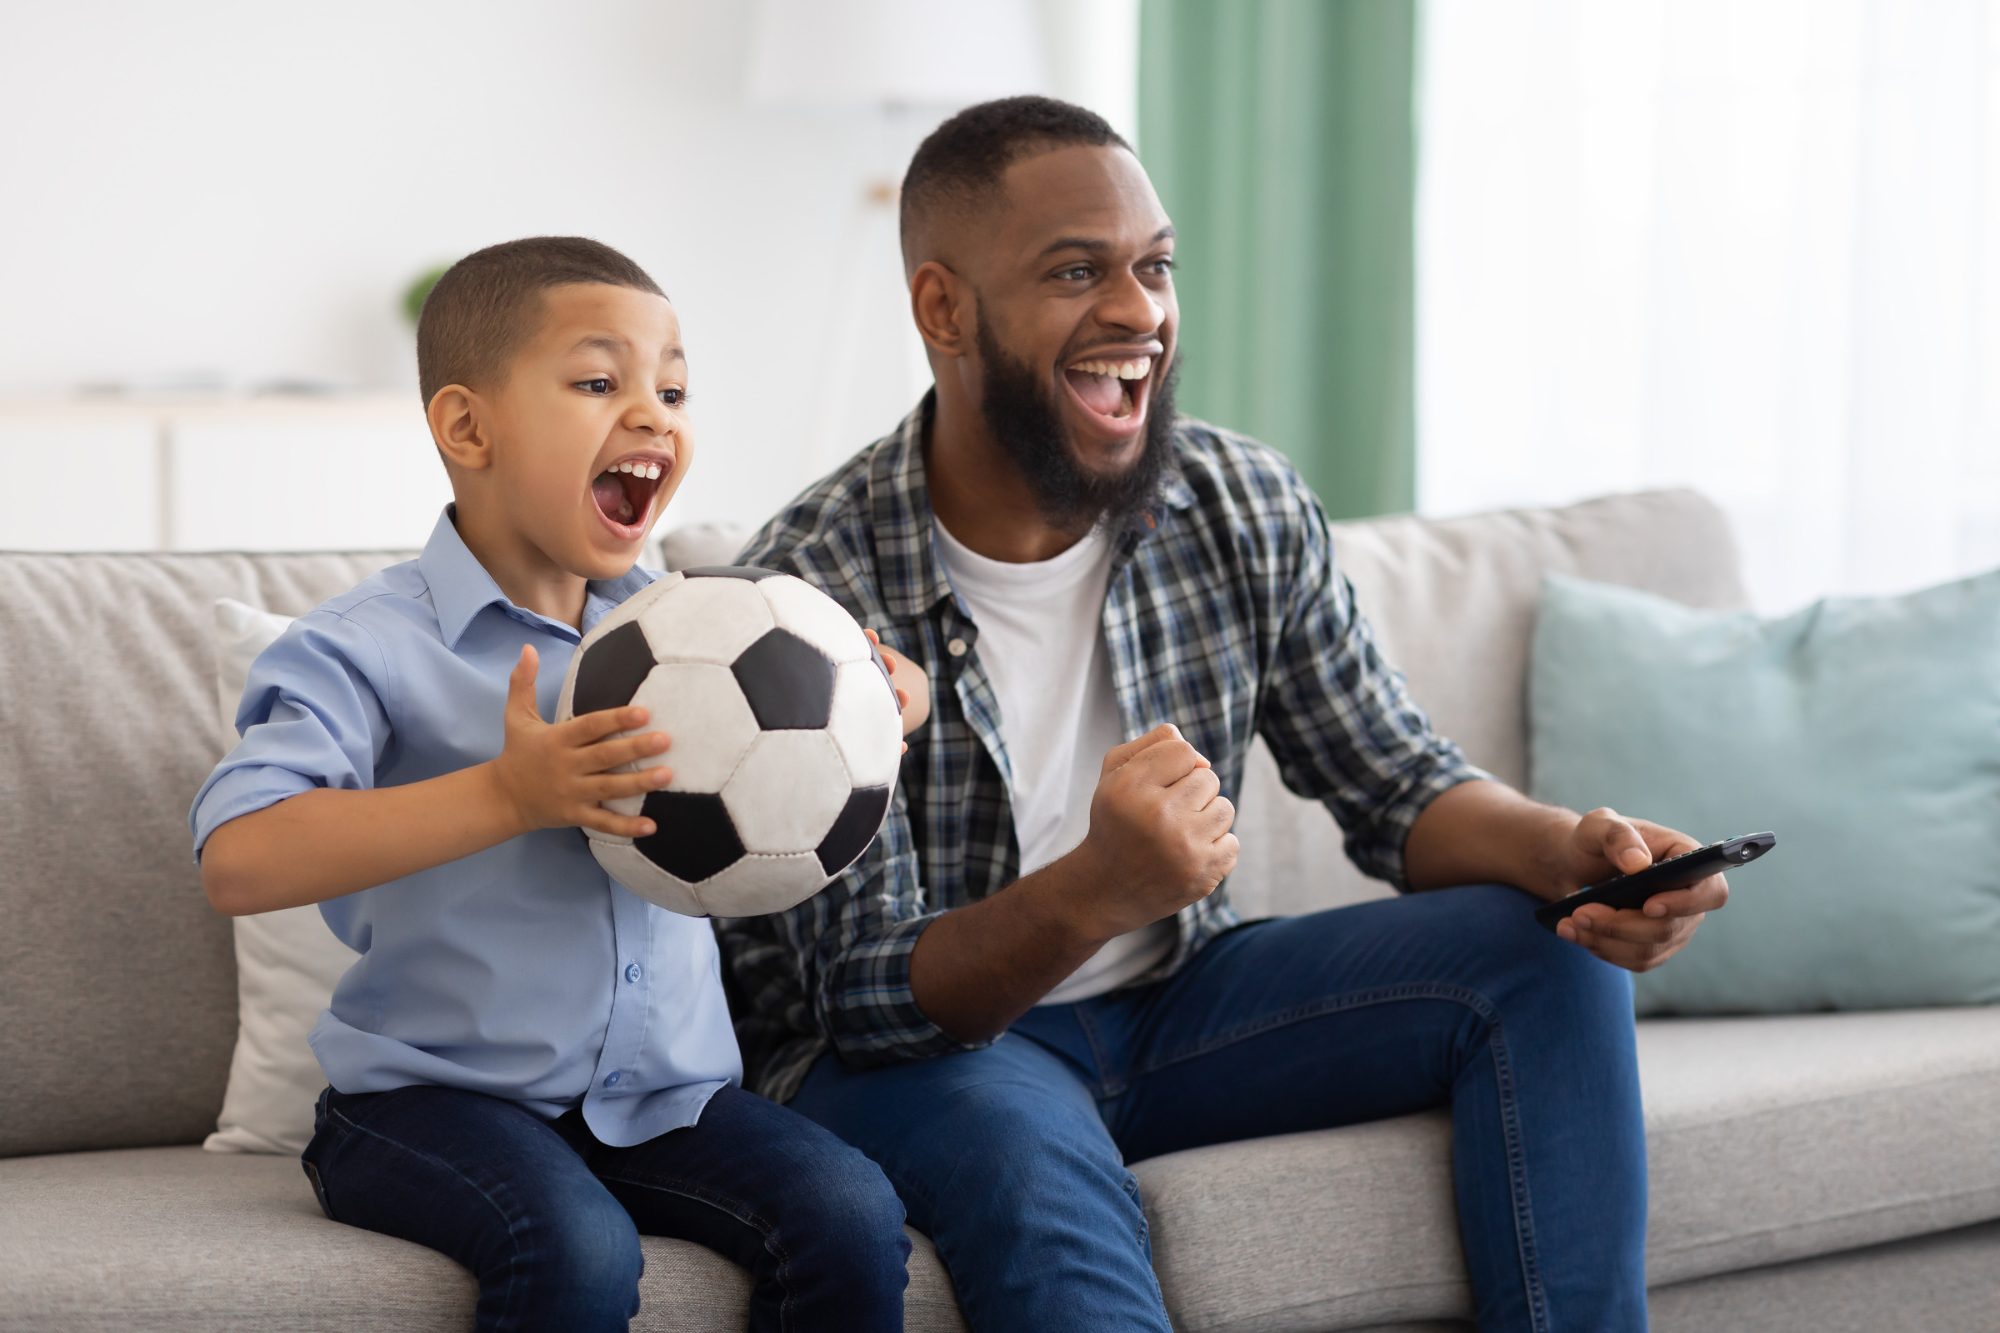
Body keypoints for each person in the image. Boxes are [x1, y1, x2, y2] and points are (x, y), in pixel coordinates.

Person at [723, 98, 1729, 1332]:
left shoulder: (1235, 501)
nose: (1139, 312)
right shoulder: (804, 599)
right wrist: (1092, 887)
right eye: (1075, 272)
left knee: (1544, 950)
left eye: (1154, 267)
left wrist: (1573, 852)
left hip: (1184, 1000)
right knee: (1018, 1150)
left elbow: (1392, 781)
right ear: (943, 309)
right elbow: (857, 997)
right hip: (941, 1060)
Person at [190, 237, 927, 1333]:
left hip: (664, 1101)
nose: (652, 414)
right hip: (424, 1105)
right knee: (576, 1247)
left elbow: (811, 746)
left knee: (850, 1212)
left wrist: (873, 707)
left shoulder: (702, 630)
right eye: (598, 381)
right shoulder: (363, 647)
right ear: (465, 426)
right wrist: (506, 796)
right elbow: (241, 858)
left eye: (671, 388)